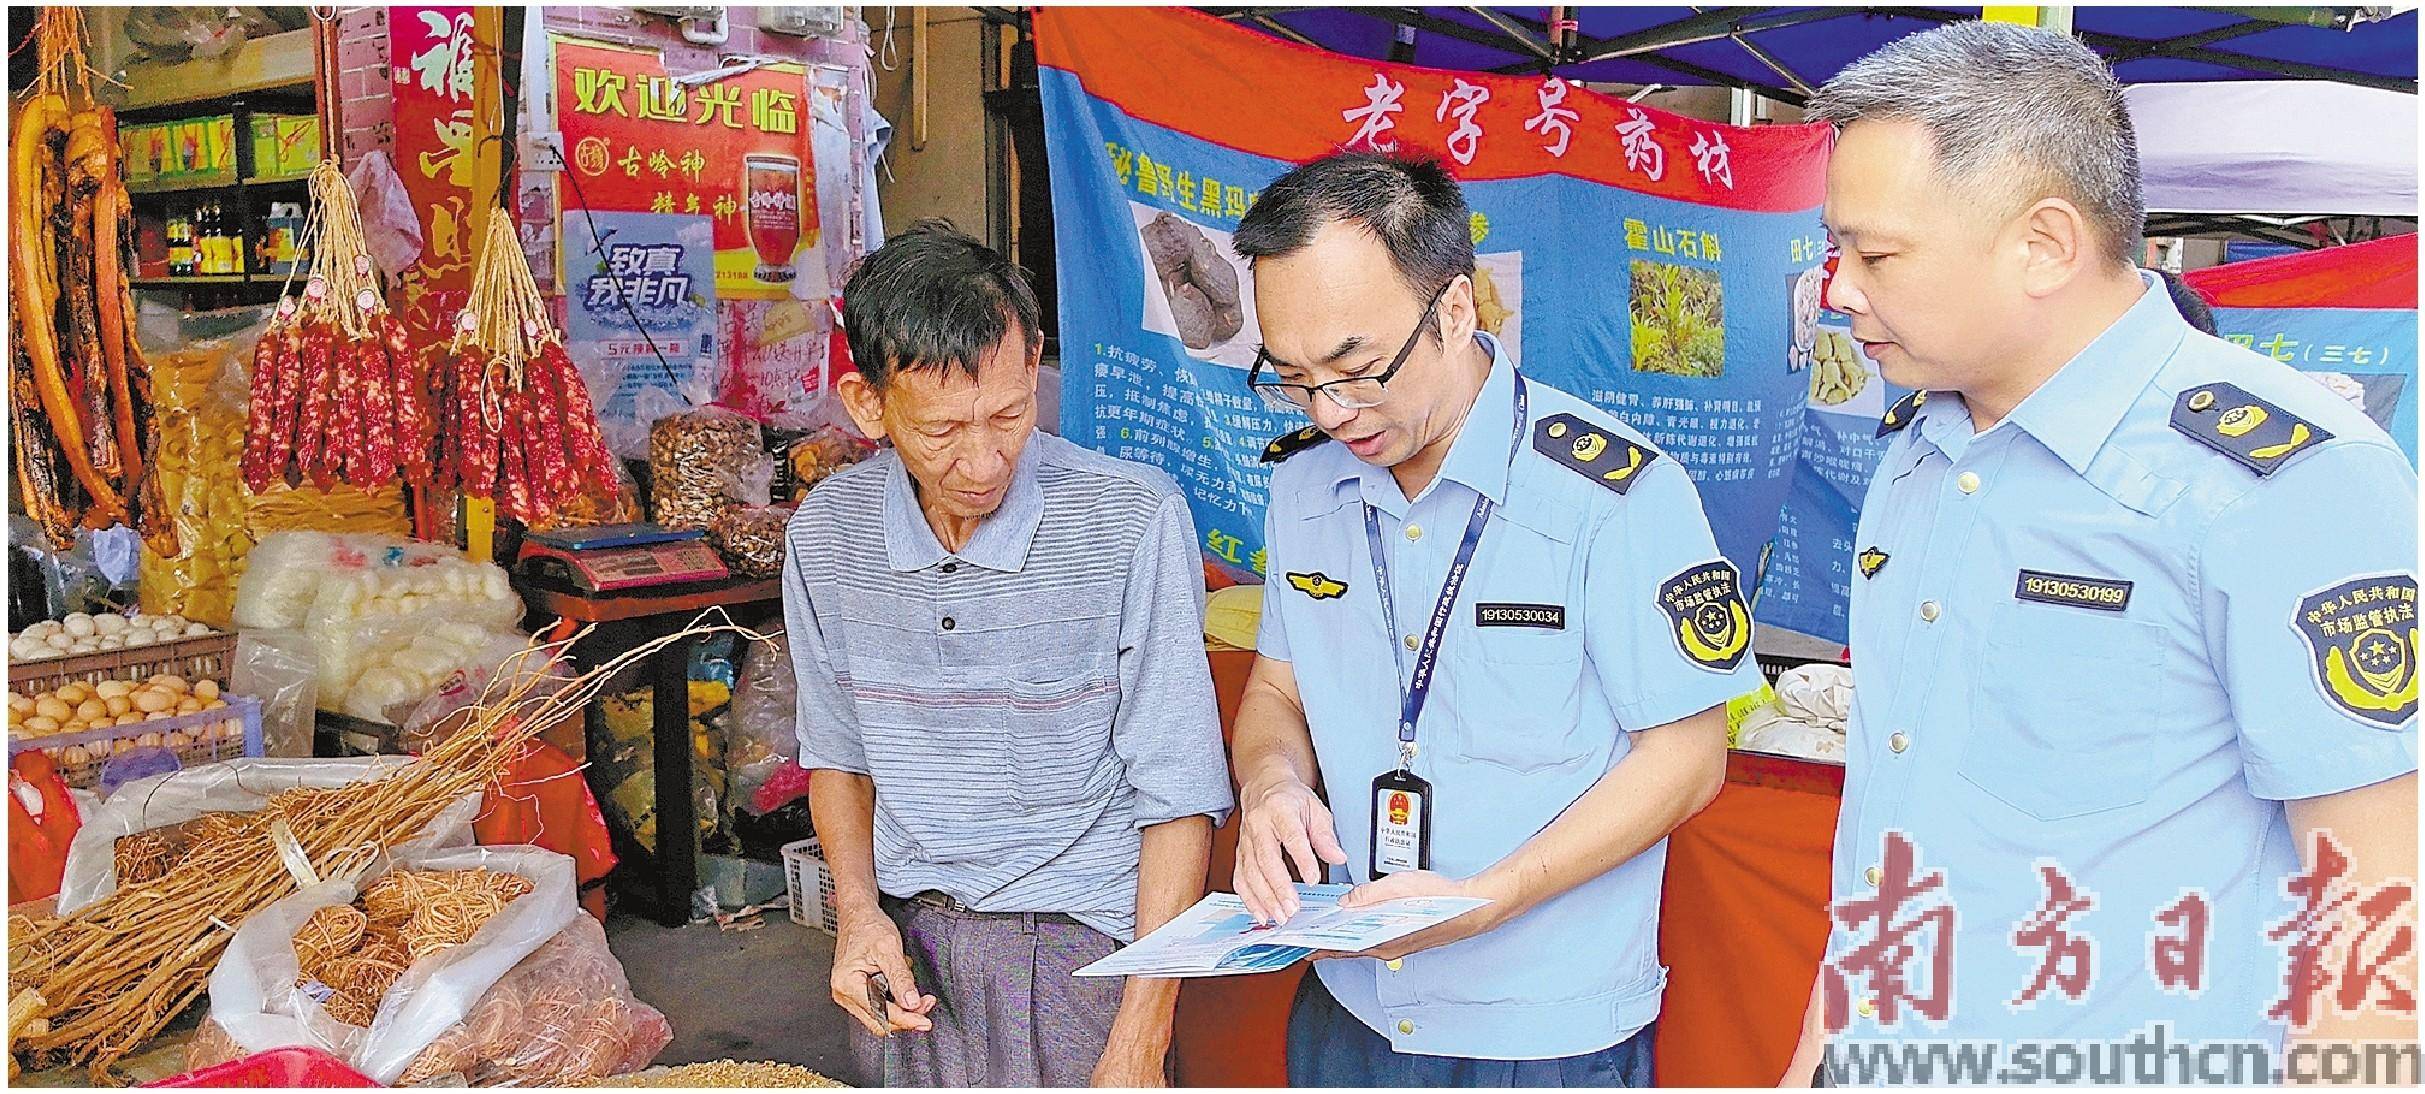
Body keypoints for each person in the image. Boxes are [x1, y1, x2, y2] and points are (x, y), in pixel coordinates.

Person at [1784, 22, 2417, 1084]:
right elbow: (1890, 846)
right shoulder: (1920, 455)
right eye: (1835, 247)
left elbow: (2379, 910)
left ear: (2042, 243)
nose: (1836, 290)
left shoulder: (2284, 480)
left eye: (1875, 254)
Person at [1227, 151, 1753, 1087]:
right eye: (1294, 379)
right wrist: (1272, 787)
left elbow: (1686, 758)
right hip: (1351, 1006)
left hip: (1540, 1030)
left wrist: (1487, 898)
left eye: (1354, 369)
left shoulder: (1613, 496)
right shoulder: (1305, 489)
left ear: (1457, 311)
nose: (1330, 410)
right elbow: (1278, 687)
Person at [785, 221, 1232, 1087]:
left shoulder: (1129, 519)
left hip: (1082, 951)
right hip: (908, 947)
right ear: (867, 403)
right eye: (942, 429)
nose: (983, 460)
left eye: (1009, 414)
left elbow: (1179, 791)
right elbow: (838, 754)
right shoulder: (828, 532)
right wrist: (858, 916)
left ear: (1034, 371)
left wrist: (1141, 1030)